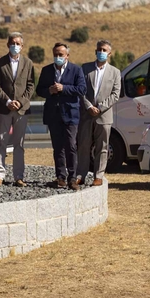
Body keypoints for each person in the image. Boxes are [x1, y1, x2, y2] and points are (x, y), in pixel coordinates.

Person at [36, 42, 86, 189]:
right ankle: (61, 177)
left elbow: (82, 89)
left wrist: (64, 88)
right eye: (55, 54)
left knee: (71, 146)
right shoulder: (46, 70)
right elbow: (39, 90)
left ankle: (72, 177)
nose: (58, 57)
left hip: (70, 114)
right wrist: (49, 91)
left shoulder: (76, 70)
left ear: (67, 55)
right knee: (58, 147)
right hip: (53, 114)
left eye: (61, 54)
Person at [76, 39, 122, 187]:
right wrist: (89, 106)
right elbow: (80, 90)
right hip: (86, 114)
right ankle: (80, 175)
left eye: (104, 50)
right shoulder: (85, 68)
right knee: (83, 145)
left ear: (109, 53)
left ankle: (99, 175)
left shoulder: (115, 72)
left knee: (102, 147)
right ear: (95, 51)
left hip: (104, 115)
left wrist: (100, 107)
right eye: (99, 49)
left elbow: (115, 94)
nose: (101, 52)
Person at [0, 32, 36, 187]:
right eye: (12, 43)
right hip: (4, 109)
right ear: (7, 44)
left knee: (19, 144)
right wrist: (8, 101)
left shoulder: (28, 63)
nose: (15, 46)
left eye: (18, 43)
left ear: (22, 46)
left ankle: (19, 176)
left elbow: (31, 85)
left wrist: (20, 101)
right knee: (1, 143)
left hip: (21, 110)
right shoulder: (0, 63)